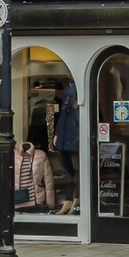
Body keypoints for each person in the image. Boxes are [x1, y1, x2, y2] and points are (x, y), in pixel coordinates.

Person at [52, 84, 80, 213]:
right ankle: (70, 200)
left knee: (76, 170)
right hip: (67, 134)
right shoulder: (70, 88)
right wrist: (57, 133)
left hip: (74, 135)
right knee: (69, 171)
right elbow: (64, 113)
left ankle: (76, 199)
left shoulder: (77, 87)